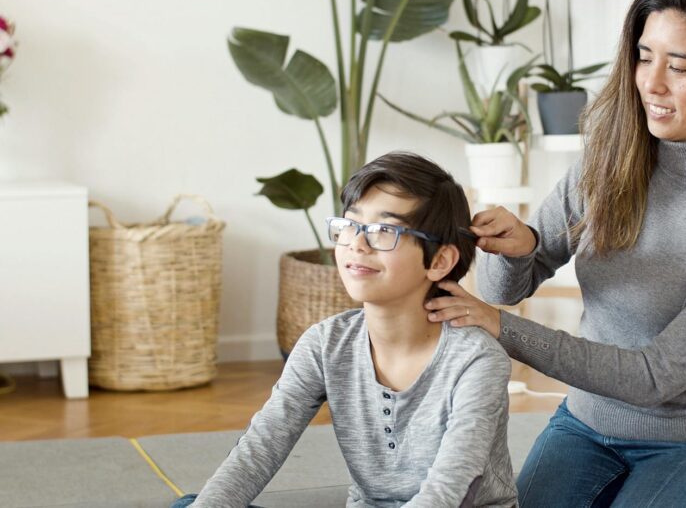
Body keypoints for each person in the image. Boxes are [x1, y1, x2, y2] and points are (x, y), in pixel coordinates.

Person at [425, 0, 686, 507]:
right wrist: (521, 247)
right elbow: (508, 288)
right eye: (644, 57)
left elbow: (653, 378)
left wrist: (498, 328)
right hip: (587, 423)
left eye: (680, 66)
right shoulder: (608, 159)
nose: (652, 82)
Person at [174, 152, 517, 507]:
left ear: (440, 260)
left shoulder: (476, 359)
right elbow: (260, 448)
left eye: (385, 230)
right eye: (350, 225)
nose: (357, 244)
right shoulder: (325, 344)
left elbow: (448, 488)